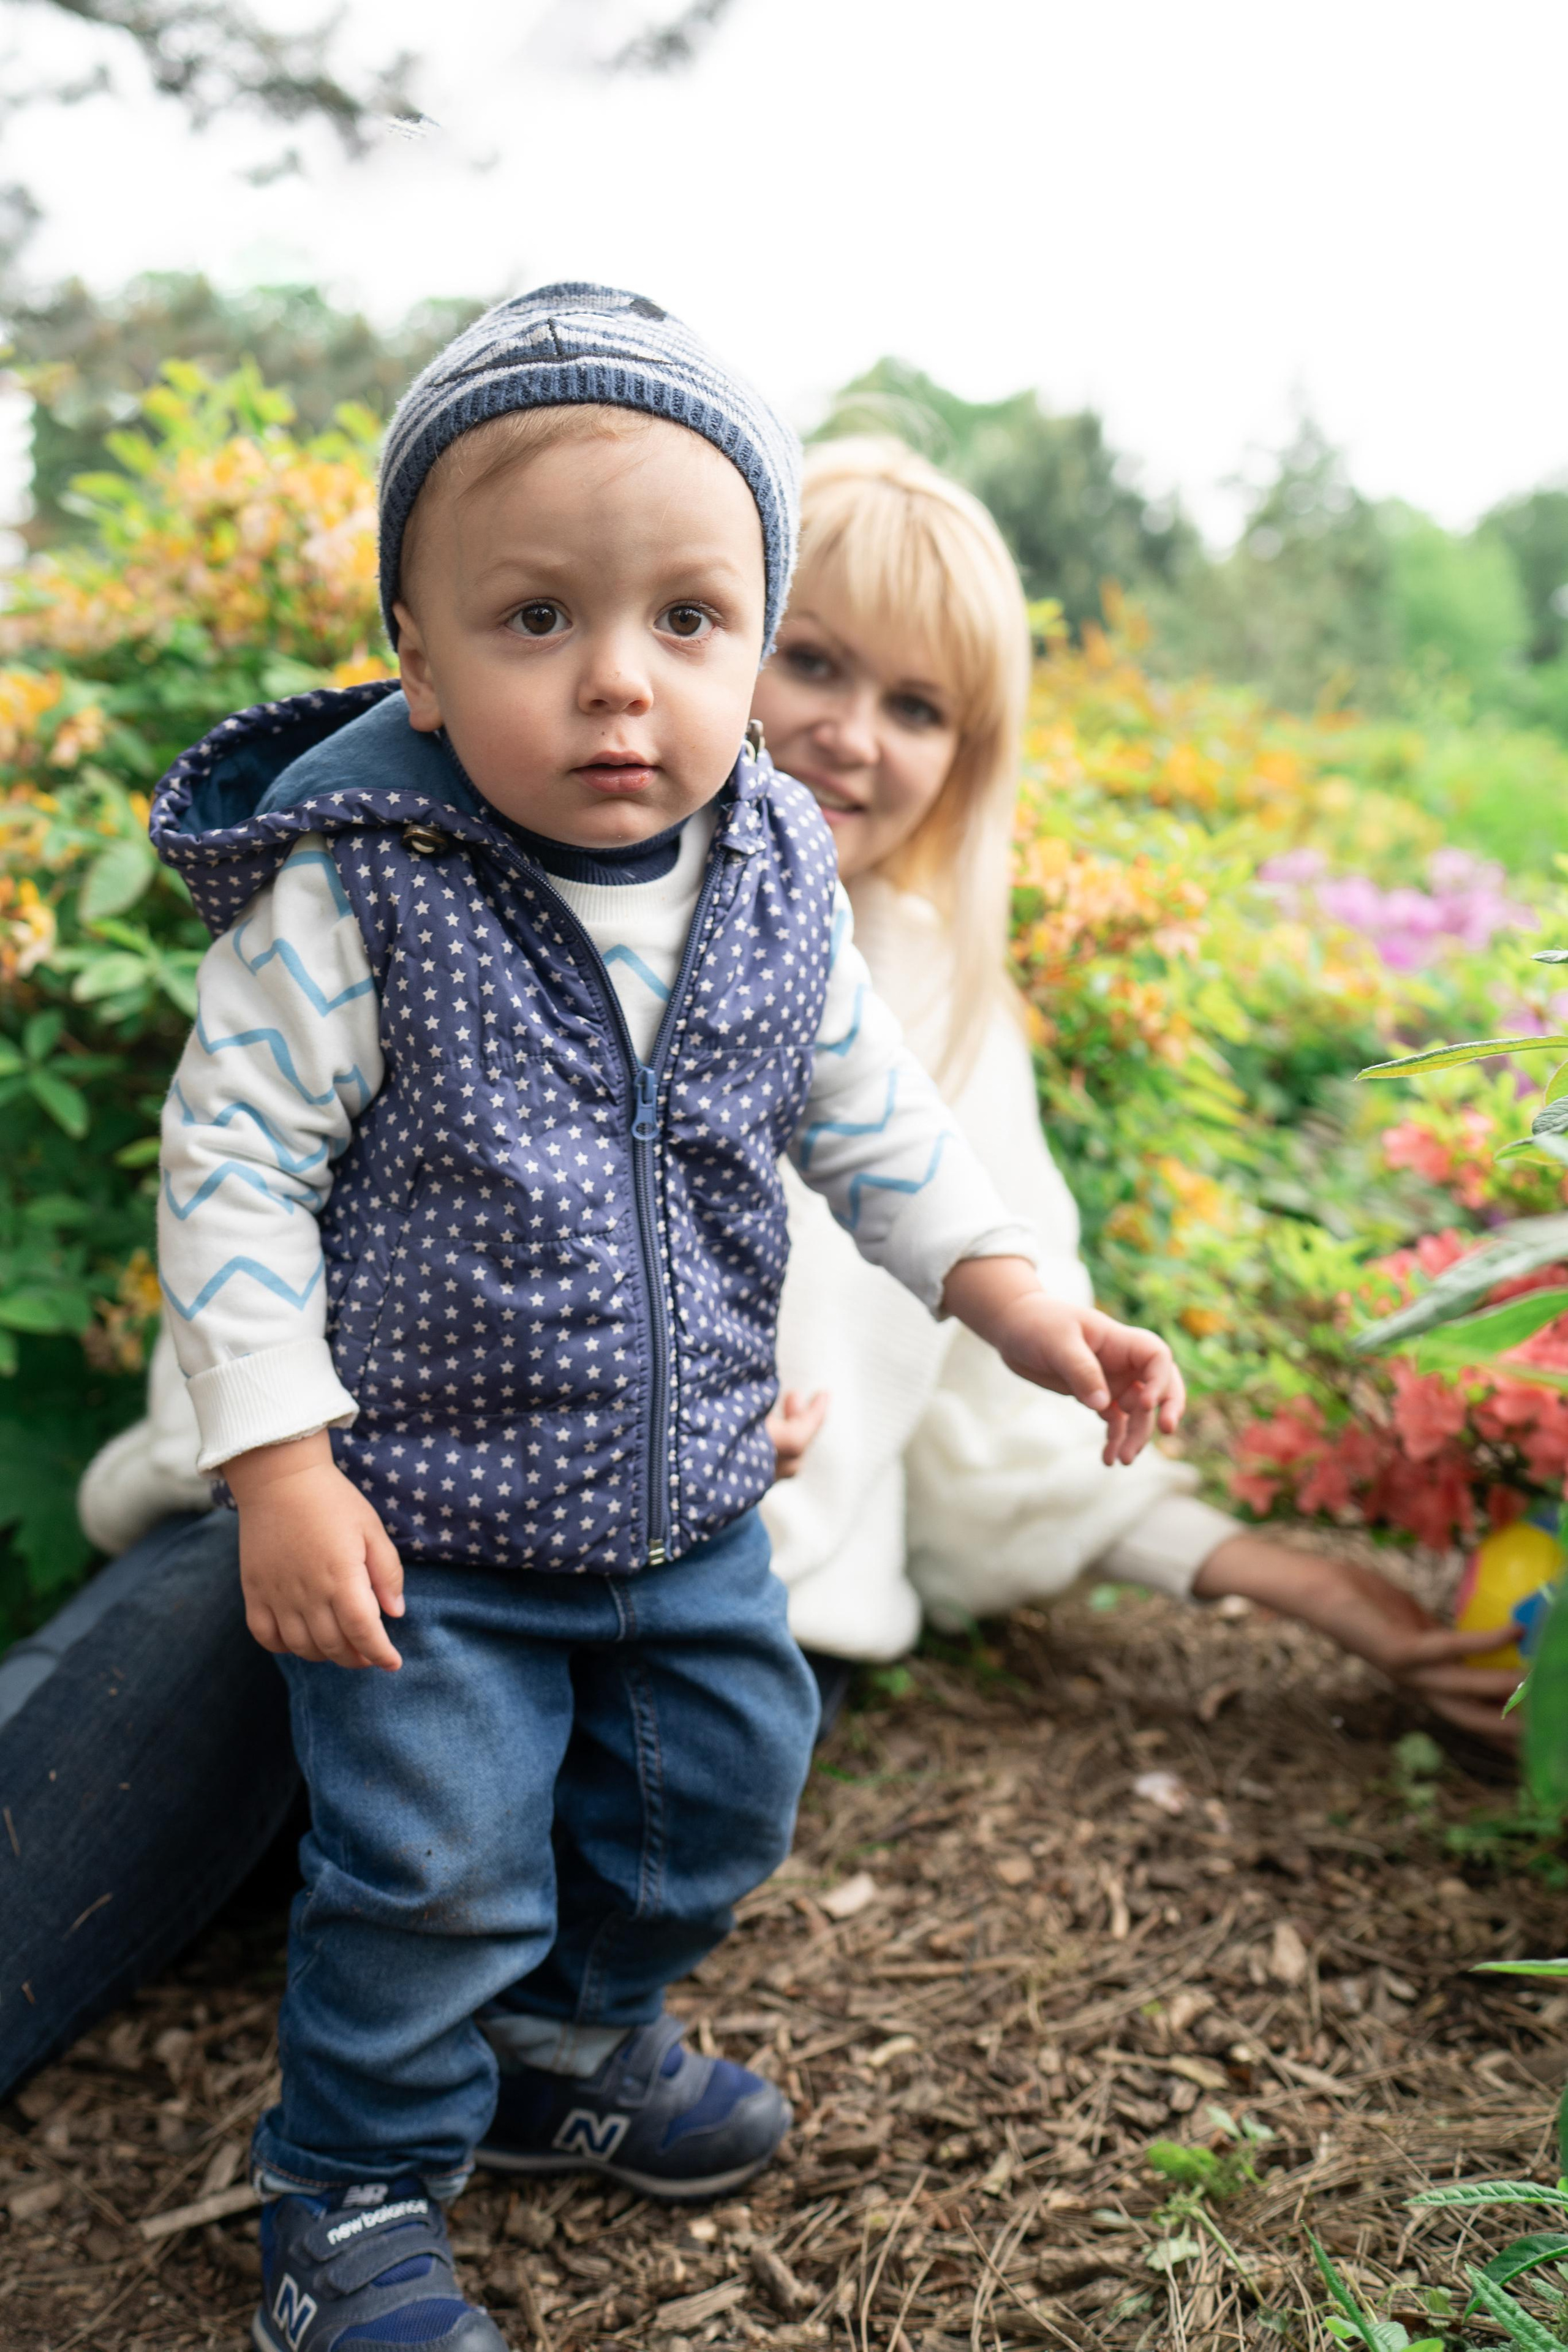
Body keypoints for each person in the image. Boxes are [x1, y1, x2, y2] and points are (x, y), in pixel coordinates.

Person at [140, 286, 1185, 2352]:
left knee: (715, 1796)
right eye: (538, 622)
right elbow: (232, 1168)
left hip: (694, 1500)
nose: (622, 685)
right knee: (428, 1862)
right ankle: (349, 2197)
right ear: (420, 664)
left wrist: (1020, 1302)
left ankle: (560, 2043)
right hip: (421, 1518)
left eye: (692, 623)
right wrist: (275, 1459)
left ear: (745, 634)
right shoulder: (359, 896)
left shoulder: (772, 877)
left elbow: (870, 1122)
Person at [752, 436, 1521, 1744]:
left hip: (750, 1621)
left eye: (919, 708)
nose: (850, 735)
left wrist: (1318, 1590)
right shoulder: (495, 926)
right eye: (811, 659)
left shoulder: (934, 1003)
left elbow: (999, 1428)